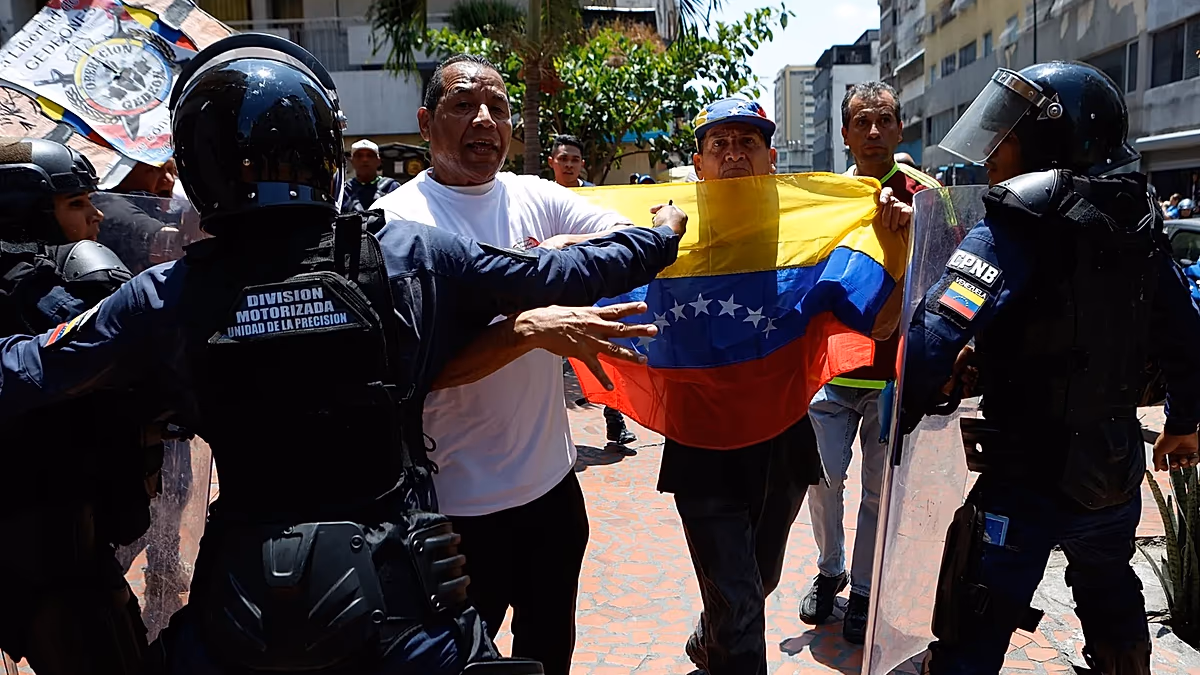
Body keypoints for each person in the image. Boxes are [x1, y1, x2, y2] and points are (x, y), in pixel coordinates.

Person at [0, 34, 687, 675]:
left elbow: (31, 369)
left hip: (241, 598)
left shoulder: (166, 292)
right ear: (324, 148)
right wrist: (661, 234)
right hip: (403, 596)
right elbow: (561, 277)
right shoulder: (404, 252)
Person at [371, 53, 680, 674]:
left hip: (551, 494)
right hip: (453, 511)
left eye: (499, 107)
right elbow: (416, 373)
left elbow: (625, 238)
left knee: (547, 656)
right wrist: (527, 328)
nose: (485, 119)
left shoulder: (534, 196)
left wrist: (562, 254)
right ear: (426, 122)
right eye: (463, 105)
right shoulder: (396, 225)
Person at [902, 61, 1200, 675]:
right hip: (1112, 471)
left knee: (973, 620)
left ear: (1046, 139)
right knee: (1113, 600)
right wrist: (1185, 422)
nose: (988, 152)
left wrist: (901, 410)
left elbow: (936, 333)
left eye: (1003, 134)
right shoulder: (1140, 217)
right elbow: (1186, 335)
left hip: (1024, 473)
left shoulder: (1018, 216)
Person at [660, 97, 854, 675]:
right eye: (719, 144)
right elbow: (606, 270)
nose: (733, 154)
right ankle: (725, 641)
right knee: (742, 601)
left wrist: (892, 228)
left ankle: (708, 637)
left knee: (758, 579)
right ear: (698, 164)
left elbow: (869, 287)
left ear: (771, 158)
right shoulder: (668, 232)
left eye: (747, 143)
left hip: (780, 437)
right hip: (701, 441)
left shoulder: (808, 232)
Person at [0, 136, 163, 675]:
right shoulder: (48, 291)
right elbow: (142, 362)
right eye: (75, 204)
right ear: (24, 208)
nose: (95, 216)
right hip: (53, 553)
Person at [799, 81, 936, 643]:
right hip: (831, 371)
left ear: (901, 128)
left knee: (879, 492)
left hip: (892, 377)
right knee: (823, 481)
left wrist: (915, 231)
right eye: (862, 122)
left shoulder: (926, 195)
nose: (873, 132)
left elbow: (947, 267)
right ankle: (829, 571)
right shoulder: (826, 196)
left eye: (884, 121)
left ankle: (861, 591)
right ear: (845, 133)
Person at [546, 133, 637, 445]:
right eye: (563, 159)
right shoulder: (538, 197)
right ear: (551, 163)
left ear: (582, 164)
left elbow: (617, 234)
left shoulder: (599, 199)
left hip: (591, 289)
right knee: (545, 362)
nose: (569, 165)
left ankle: (615, 420)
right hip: (550, 295)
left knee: (604, 352)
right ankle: (548, 436)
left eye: (574, 159)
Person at [340, 139, 401, 213]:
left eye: (370, 156)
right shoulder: (344, 191)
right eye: (359, 156)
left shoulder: (391, 187)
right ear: (352, 161)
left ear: (378, 161)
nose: (365, 160)